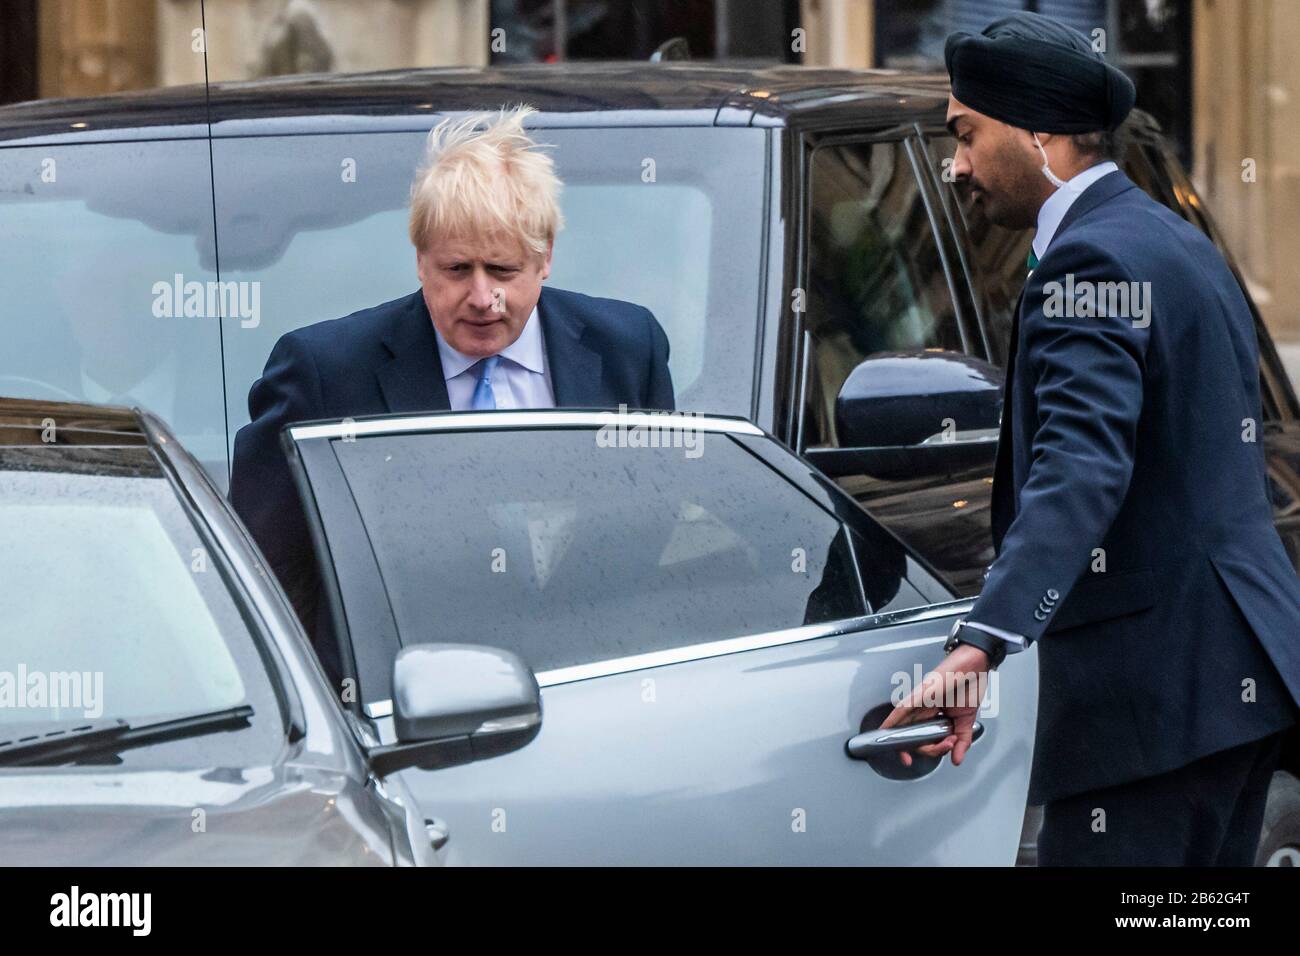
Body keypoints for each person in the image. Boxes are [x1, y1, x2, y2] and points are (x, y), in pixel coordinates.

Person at [881, 11, 1299, 866]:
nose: (955, 166)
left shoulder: (1091, 262)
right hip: (1229, 684)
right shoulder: (1166, 236)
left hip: (1159, 704)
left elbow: (1080, 466)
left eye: (965, 134)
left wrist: (980, 644)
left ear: (1039, 133)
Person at [230, 105, 674, 684]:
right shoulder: (325, 372)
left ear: (544, 261)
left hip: (593, 690)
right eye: (457, 269)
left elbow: (658, 518)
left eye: (503, 269)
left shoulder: (627, 350)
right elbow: (264, 574)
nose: (482, 296)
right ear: (420, 261)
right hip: (397, 717)